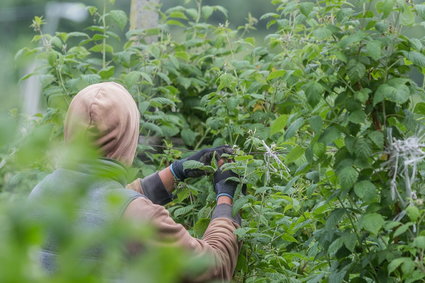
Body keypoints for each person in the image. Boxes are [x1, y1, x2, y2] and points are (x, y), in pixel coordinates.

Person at [29, 82, 241, 282]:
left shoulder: (40, 193)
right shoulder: (140, 218)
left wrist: (176, 171)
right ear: (127, 136)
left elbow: (102, 203)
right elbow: (214, 270)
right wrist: (226, 200)